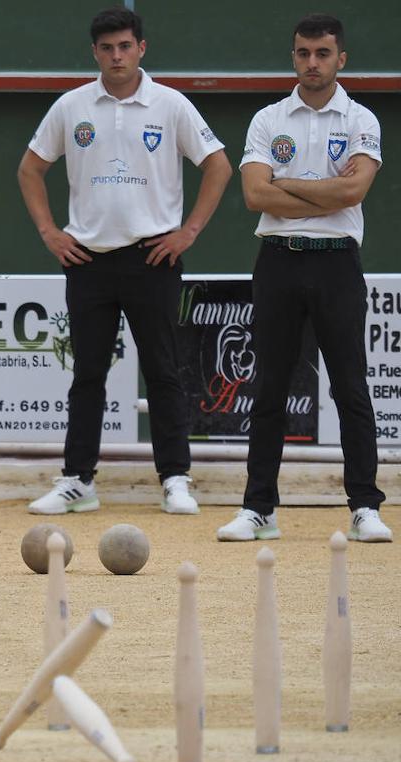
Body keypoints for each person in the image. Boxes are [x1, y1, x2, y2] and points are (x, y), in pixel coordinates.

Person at [17, 7, 232, 515]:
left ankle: (175, 479)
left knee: (163, 371)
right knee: (88, 374)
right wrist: (50, 232)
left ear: (142, 48)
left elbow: (219, 166)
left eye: (125, 46)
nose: (117, 56)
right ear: (95, 52)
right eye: (107, 48)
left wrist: (189, 232)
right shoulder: (71, 107)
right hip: (87, 259)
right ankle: (77, 481)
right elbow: (30, 169)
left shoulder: (171, 105)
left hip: (153, 256)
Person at [218, 14, 390, 543]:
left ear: (342, 59)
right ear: (293, 57)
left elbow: (351, 194)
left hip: (337, 261)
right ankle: (259, 510)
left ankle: (364, 506)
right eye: (302, 53)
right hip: (278, 259)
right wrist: (318, 189)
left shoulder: (361, 120)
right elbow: (254, 195)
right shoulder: (269, 119)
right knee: (268, 387)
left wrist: (286, 183)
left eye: (322, 53)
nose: (311, 63)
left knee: (350, 387)